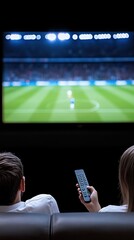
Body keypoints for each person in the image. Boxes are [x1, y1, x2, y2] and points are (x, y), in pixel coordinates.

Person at [76, 145, 134, 212]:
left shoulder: (109, 212)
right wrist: (94, 207)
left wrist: (100, 212)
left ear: (124, 178)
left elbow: (102, 222)